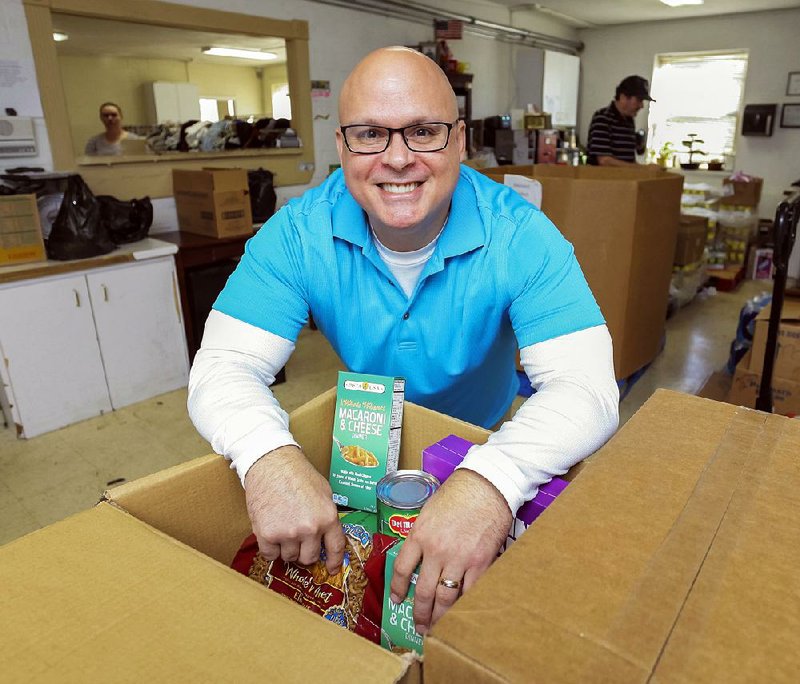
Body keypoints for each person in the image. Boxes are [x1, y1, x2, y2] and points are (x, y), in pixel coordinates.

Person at [188, 46, 619, 635]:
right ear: (341, 147)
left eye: (422, 131)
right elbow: (225, 364)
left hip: (490, 437)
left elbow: (587, 388)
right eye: (370, 134)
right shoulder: (295, 234)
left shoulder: (521, 235)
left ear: (460, 140)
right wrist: (267, 458)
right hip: (365, 447)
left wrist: (494, 482)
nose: (397, 159)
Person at [587, 75, 659, 167]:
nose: (641, 106)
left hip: (624, 181)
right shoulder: (602, 118)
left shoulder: (629, 121)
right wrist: (643, 169)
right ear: (623, 97)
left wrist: (647, 169)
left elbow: (628, 163)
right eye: (639, 100)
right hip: (603, 181)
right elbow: (604, 161)